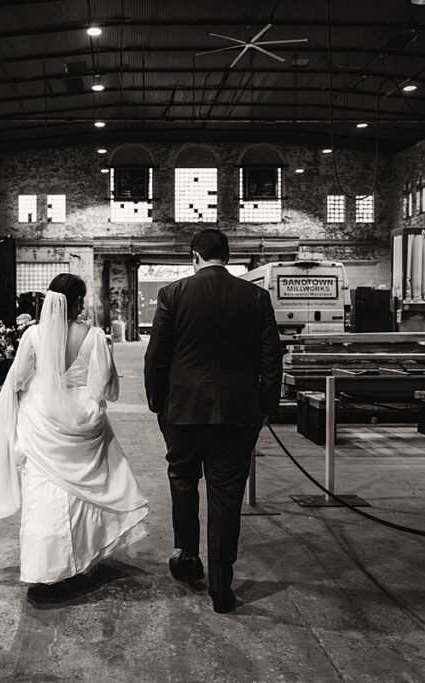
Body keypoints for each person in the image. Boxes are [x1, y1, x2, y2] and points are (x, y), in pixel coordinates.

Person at [0, 273, 149, 601]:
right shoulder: (94, 336)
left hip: (42, 422)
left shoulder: (34, 335)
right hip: (83, 422)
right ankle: (81, 559)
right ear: (78, 302)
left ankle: (44, 568)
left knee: (43, 493)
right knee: (87, 494)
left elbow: (19, 378)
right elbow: (103, 384)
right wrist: (83, 398)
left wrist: (39, 392)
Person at [144, 229, 283, 614]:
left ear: (195, 257)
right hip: (239, 411)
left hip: (183, 409)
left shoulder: (173, 294)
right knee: (227, 493)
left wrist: (157, 398)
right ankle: (222, 585)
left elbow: (157, 353)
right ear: (228, 256)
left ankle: (187, 558)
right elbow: (272, 356)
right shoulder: (256, 297)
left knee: (183, 478)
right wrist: (267, 403)